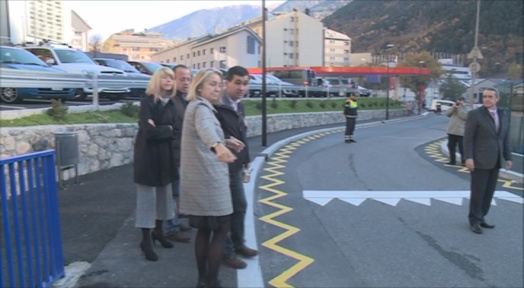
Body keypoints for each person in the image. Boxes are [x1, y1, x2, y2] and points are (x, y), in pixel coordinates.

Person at [179, 68, 237, 288]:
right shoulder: (202, 107)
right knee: (221, 230)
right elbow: (206, 132)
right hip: (210, 180)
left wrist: (226, 142)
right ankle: (212, 281)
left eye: (219, 84)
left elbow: (204, 135)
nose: (218, 88)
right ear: (200, 86)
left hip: (199, 180)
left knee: (204, 230)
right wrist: (218, 147)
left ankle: (203, 280)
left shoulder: (195, 106)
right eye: (212, 84)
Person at [214, 66, 258, 270]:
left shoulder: (238, 105)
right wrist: (224, 142)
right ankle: (226, 252)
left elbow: (241, 134)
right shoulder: (217, 105)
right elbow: (210, 136)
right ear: (227, 83)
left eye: (245, 83)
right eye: (238, 83)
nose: (242, 88)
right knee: (225, 212)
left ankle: (239, 245)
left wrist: (246, 159)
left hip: (235, 165)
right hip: (220, 167)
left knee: (240, 206)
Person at [133, 67, 179, 261]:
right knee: (147, 200)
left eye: (171, 77)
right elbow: (148, 132)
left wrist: (163, 128)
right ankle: (146, 241)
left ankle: (159, 232)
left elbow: (176, 130)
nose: (169, 80)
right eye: (165, 77)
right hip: (148, 157)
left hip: (165, 157)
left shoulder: (171, 103)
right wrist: (165, 129)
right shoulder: (147, 102)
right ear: (156, 80)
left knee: (164, 197)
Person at [463, 88, 512, 234]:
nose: (487, 99)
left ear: (497, 99)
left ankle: (481, 216)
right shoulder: (475, 115)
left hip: (495, 160)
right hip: (479, 160)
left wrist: (508, 157)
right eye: (484, 96)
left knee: (489, 192)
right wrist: (469, 157)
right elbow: (468, 138)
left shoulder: (502, 115)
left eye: (490, 97)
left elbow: (505, 138)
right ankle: (474, 220)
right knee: (478, 192)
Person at [163, 64, 192, 243]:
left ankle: (174, 221)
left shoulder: (183, 100)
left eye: (189, 79)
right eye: (182, 79)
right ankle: (170, 228)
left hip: (182, 154)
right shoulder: (169, 102)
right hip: (172, 155)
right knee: (171, 193)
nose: (186, 83)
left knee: (176, 192)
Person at [445, 96, 468, 165]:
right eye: (458, 102)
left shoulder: (467, 109)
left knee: (462, 148)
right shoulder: (454, 108)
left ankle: (463, 161)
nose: (459, 104)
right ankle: (452, 160)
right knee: (451, 146)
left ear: (464, 102)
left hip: (461, 132)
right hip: (452, 131)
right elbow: (447, 113)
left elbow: (464, 116)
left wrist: (460, 108)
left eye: (461, 102)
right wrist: (453, 108)